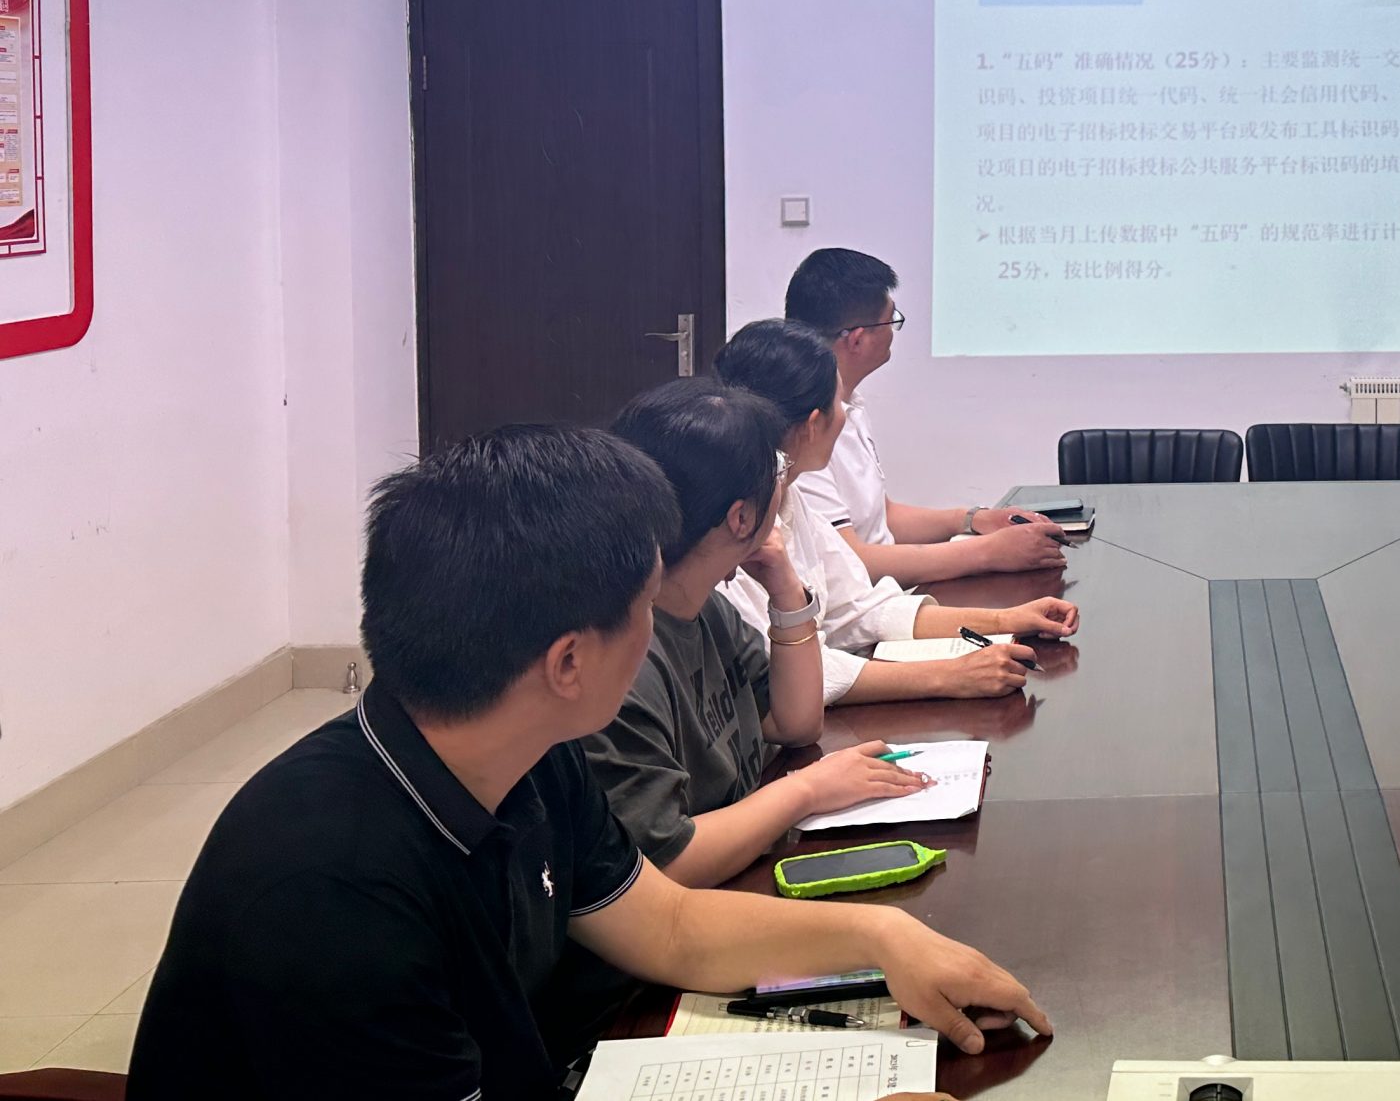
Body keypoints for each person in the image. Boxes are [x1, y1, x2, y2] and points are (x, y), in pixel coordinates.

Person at [128, 425, 1048, 1101]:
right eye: (645, 604)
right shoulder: (330, 891)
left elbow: (673, 928)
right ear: (568, 661)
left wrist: (882, 939)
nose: (659, 627)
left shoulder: (525, 754)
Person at [585, 379, 933, 888]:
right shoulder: (626, 657)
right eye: (777, 470)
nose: (783, 482)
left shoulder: (707, 607)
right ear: (741, 517)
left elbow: (795, 723)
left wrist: (786, 590)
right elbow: (669, 864)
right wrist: (806, 790)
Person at [713, 316, 1076, 702]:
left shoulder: (788, 496)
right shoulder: (735, 523)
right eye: (839, 402)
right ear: (813, 424)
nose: (845, 414)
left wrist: (1007, 620)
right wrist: (949, 676)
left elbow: (859, 609)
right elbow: (786, 675)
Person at [783, 246, 1068, 584]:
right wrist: (989, 552)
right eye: (891, 320)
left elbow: (882, 517)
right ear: (857, 340)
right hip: (856, 607)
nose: (894, 331)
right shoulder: (802, 430)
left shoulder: (849, 405)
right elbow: (848, 563)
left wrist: (973, 519)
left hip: (883, 596)